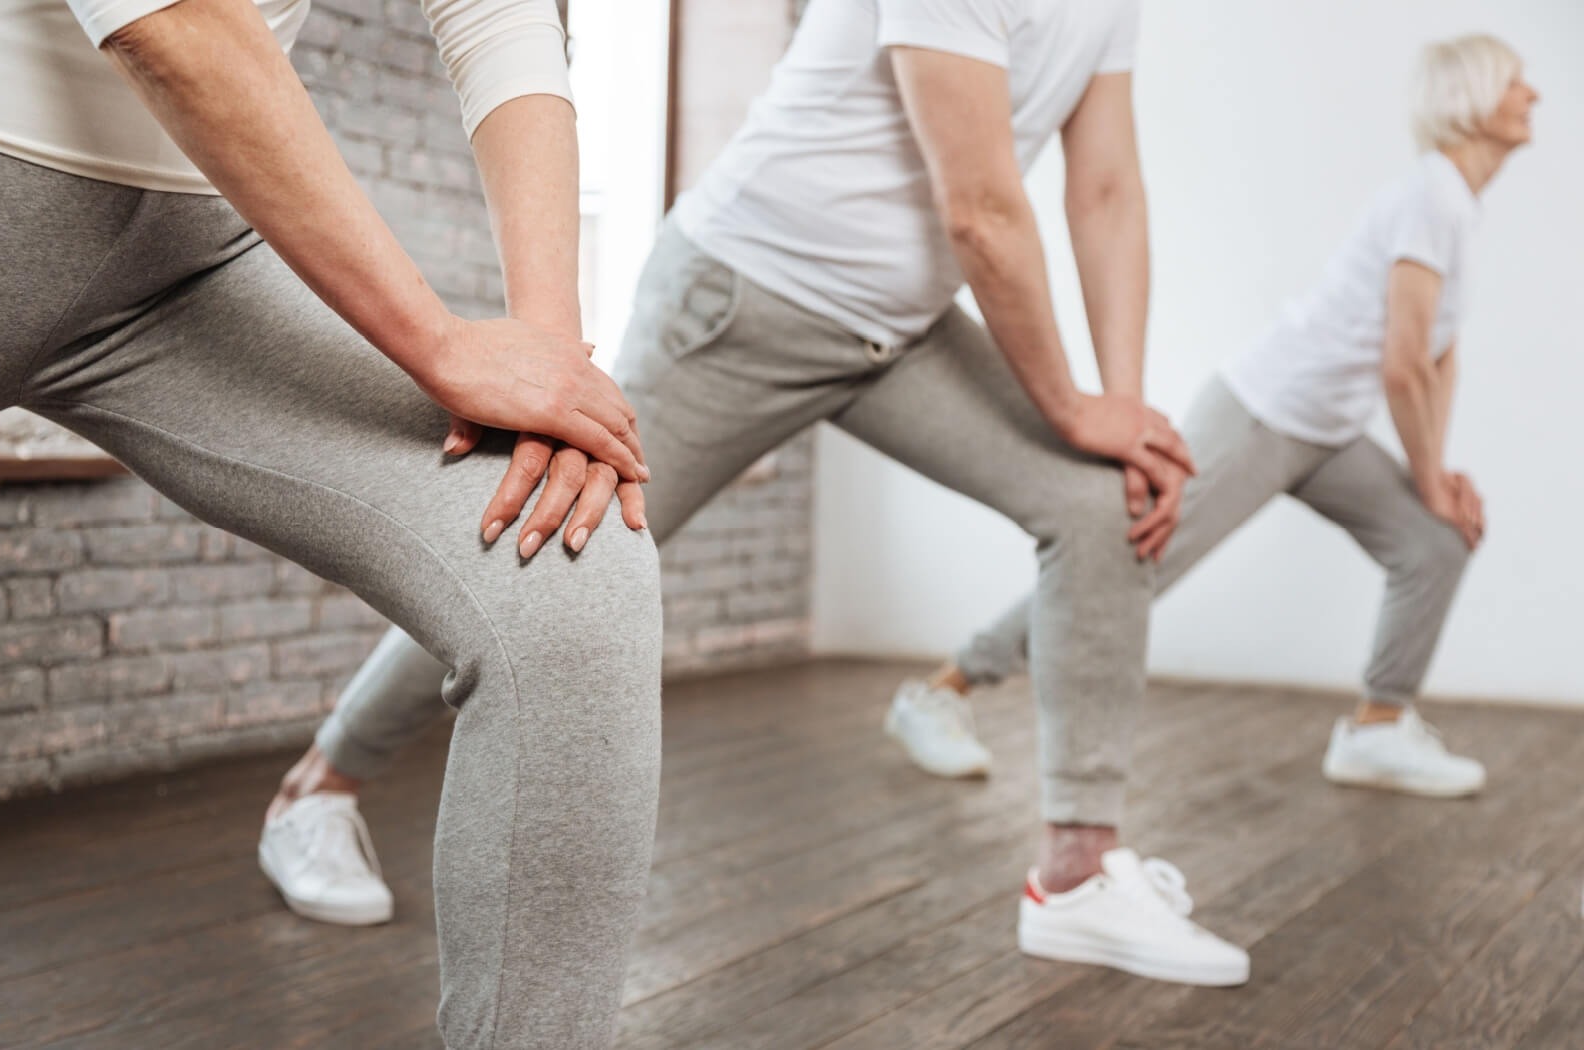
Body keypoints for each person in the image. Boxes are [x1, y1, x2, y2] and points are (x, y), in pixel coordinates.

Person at [260, 0, 1256, 988]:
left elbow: (1107, 190)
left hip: (898, 331)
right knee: (555, 544)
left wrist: (1125, 415)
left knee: (1099, 502)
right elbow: (981, 210)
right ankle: (319, 786)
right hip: (744, 304)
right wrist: (1074, 409)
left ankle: (1077, 876)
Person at [0, 0, 663, 1045]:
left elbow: (500, 14)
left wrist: (549, 364)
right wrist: (439, 343)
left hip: (190, 257)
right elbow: (173, 20)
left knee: (572, 574)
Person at [896, 34, 1536, 802]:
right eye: (1516, 82)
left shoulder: (1457, 206)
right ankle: (943, 690)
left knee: (1435, 541)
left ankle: (1377, 729)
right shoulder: (1432, 196)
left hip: (1326, 430)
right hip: (1265, 413)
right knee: (1126, 564)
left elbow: (1438, 359)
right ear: (1472, 98)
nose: (1532, 95)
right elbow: (1403, 367)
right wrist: (1431, 478)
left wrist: (1438, 478)